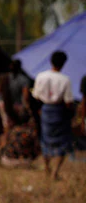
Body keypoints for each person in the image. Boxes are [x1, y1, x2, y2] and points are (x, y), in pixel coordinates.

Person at [32, 51, 74, 180]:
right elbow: (68, 102)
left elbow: (36, 96)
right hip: (59, 111)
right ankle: (55, 172)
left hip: (45, 110)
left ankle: (46, 167)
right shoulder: (65, 80)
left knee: (46, 140)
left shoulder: (41, 76)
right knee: (62, 142)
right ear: (63, 63)